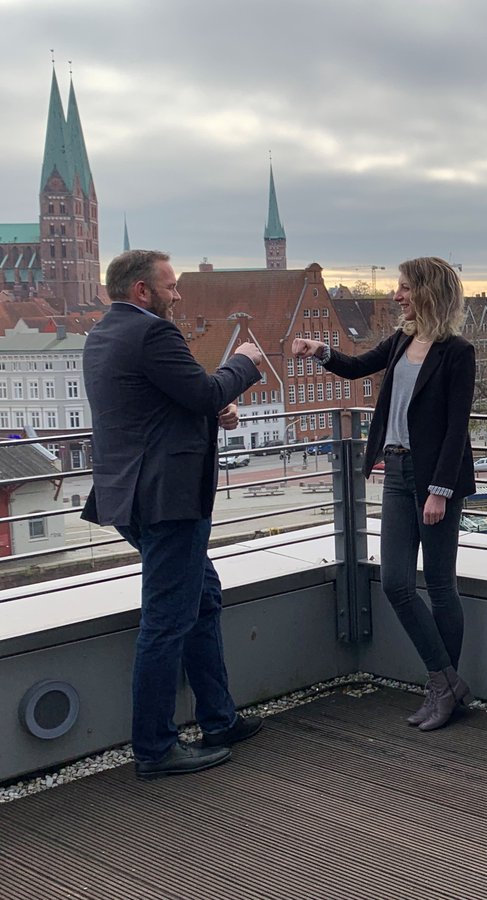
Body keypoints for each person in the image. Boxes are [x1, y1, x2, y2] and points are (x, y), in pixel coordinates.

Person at [82, 249, 267, 779]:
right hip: (168, 500)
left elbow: (158, 406)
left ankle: (218, 718)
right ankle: (155, 748)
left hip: (131, 496)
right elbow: (204, 389)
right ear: (142, 290)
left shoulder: (102, 334)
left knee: (203, 598)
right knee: (167, 621)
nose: (177, 294)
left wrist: (212, 408)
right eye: (169, 285)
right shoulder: (153, 334)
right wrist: (244, 364)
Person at [292, 257, 476, 731]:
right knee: (395, 582)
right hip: (395, 469)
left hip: (435, 478)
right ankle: (448, 683)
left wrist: (438, 490)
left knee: (438, 584)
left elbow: (458, 429)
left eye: (404, 288)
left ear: (428, 292)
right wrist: (319, 350)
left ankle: (441, 689)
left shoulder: (457, 352)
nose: (396, 295)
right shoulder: (400, 342)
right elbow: (356, 367)